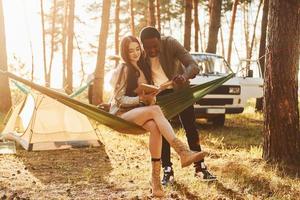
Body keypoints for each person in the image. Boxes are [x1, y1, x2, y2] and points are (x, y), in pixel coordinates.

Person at [109, 35, 208, 197]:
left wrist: (152, 95)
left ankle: (156, 184)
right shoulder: (124, 68)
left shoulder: (143, 68)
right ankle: (182, 152)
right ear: (124, 53)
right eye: (130, 51)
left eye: (136, 49)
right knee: (155, 110)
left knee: (155, 128)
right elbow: (119, 99)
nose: (135, 53)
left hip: (138, 113)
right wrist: (141, 99)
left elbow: (146, 96)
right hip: (121, 114)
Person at [139, 26, 217, 184]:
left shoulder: (170, 43)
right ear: (142, 45)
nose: (152, 50)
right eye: (148, 48)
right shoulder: (140, 55)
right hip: (159, 96)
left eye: (155, 46)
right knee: (163, 131)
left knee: (190, 127)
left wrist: (184, 76)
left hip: (180, 91)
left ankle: (200, 168)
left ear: (159, 40)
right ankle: (168, 171)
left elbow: (193, 65)